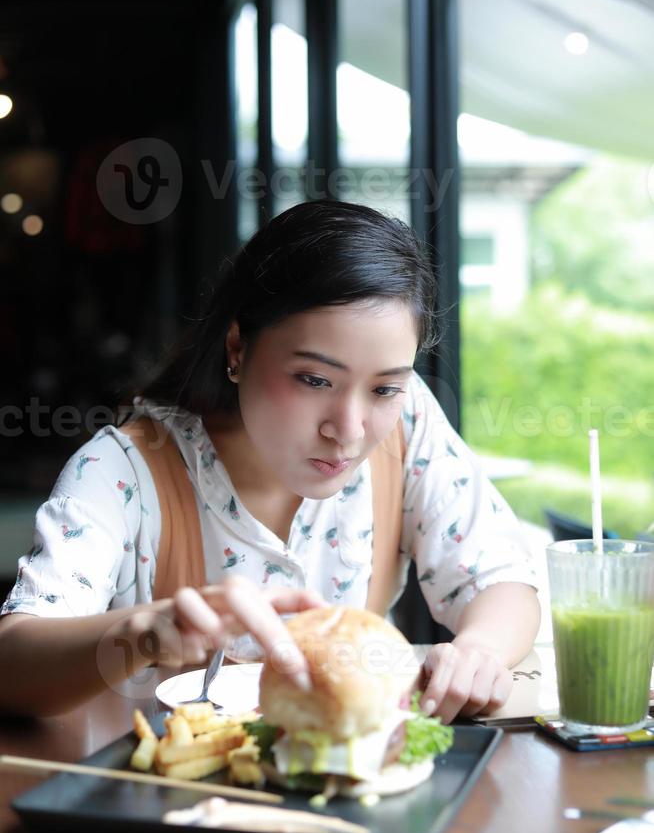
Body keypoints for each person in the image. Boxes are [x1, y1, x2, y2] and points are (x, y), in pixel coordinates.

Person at [0, 200, 540, 719]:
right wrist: (146, 630)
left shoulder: (408, 419)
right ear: (237, 348)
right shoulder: (126, 472)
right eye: (313, 380)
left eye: (384, 389)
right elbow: (13, 663)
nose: (348, 430)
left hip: (344, 788)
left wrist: (480, 651)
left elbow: (500, 578)